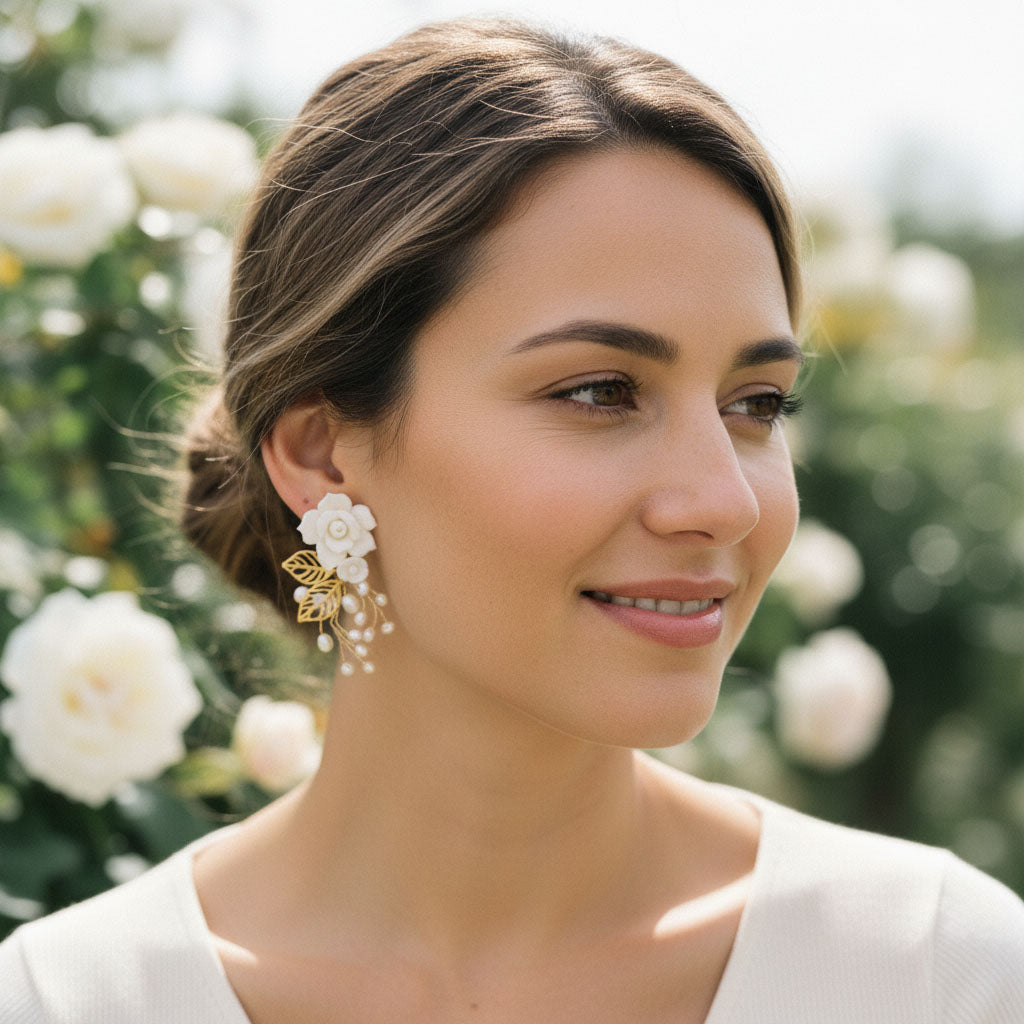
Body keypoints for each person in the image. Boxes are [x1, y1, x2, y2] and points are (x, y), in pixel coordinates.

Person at [2, 16, 1023, 1024]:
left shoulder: (939, 975)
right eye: (598, 391)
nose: (725, 499)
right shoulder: (67, 1001)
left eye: (756, 403)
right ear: (319, 452)